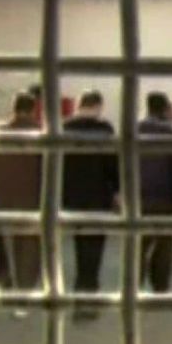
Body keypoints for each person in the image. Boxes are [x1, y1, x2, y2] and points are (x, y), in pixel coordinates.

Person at [62, 90, 120, 321]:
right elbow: (113, 165)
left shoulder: (65, 128)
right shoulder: (104, 130)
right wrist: (117, 191)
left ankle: (79, 293)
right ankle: (89, 295)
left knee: (79, 245)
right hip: (98, 197)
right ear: (97, 106)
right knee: (94, 248)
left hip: (72, 197)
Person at [0, 92, 43, 300]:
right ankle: (25, 287)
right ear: (33, 109)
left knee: (8, 243)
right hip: (33, 198)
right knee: (29, 245)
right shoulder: (41, 134)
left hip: (4, 196)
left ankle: (9, 279)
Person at [138, 92, 172, 293]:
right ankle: (160, 288)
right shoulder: (171, 133)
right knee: (164, 246)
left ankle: (134, 285)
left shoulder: (134, 129)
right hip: (164, 198)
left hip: (138, 197)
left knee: (138, 245)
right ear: (165, 108)